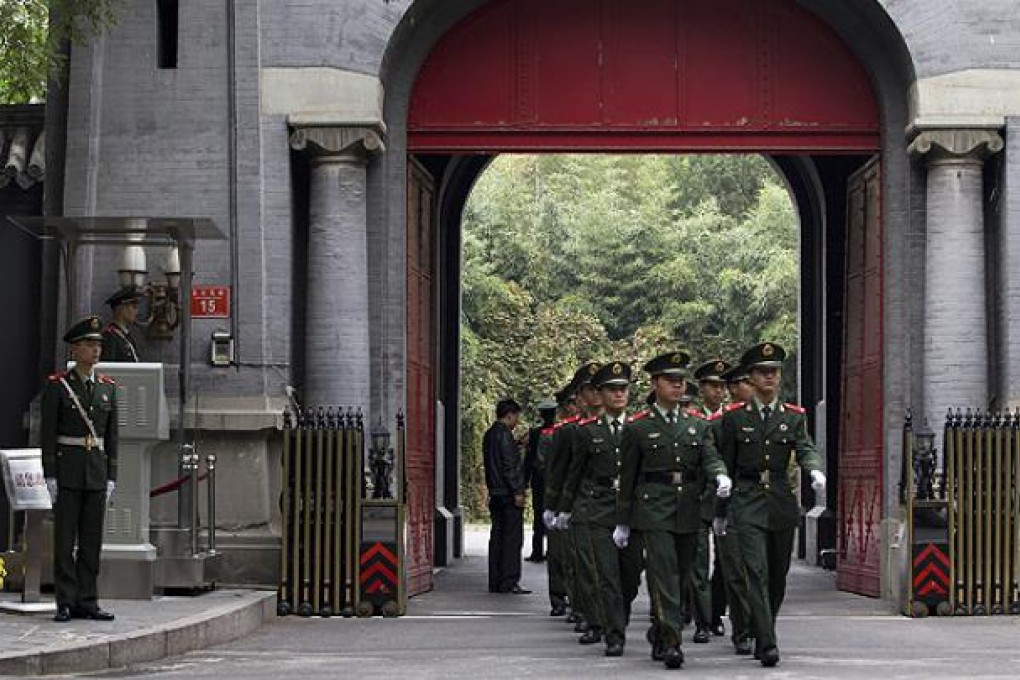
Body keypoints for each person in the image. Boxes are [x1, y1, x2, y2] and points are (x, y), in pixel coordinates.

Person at [615, 351, 731, 669]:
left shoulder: (696, 424)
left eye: (682, 382)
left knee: (682, 578)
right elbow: (628, 477)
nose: (678, 387)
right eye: (671, 381)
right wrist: (623, 521)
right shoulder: (639, 427)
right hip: (653, 508)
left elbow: (709, 456)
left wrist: (720, 474)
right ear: (655, 384)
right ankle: (673, 642)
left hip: (688, 508)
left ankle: (660, 629)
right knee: (663, 573)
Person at [716, 342, 825, 667]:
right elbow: (726, 462)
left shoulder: (792, 417)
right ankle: (767, 641)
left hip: (779, 499)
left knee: (778, 576)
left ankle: (765, 627)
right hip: (746, 498)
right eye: (762, 372)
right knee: (756, 571)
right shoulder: (734, 419)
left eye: (773, 372)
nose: (769, 377)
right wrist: (721, 508)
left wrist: (814, 469)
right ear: (751, 377)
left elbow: (803, 447)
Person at [560, 361, 643, 657]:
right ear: (601, 393)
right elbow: (574, 473)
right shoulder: (586, 432)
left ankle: (619, 616)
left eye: (623, 389)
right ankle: (614, 634)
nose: (619, 394)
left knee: (631, 576)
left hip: (632, 510)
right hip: (599, 507)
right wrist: (564, 509)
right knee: (606, 576)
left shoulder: (640, 428)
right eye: (612, 390)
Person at [42, 315, 118, 623]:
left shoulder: (107, 388)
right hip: (69, 470)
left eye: (98, 344)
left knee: (91, 541)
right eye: (89, 344)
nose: (95, 350)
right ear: (74, 350)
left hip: (96, 472)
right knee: (64, 541)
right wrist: (50, 474)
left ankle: (88, 599)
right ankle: (65, 600)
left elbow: (111, 436)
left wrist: (112, 475)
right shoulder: (58, 386)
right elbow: (47, 434)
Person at [685, 360, 732, 643]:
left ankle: (715, 615)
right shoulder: (692, 421)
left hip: (725, 500)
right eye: (713, 385)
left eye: (722, 386)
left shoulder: (734, 418)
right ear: (701, 388)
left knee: (727, 565)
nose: (719, 391)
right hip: (696, 499)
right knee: (698, 564)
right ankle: (702, 621)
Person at [483, 398, 530, 594]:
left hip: (495, 492)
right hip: (508, 494)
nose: (517, 421)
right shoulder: (505, 436)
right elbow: (509, 466)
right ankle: (509, 580)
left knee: (497, 537)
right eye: (516, 417)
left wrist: (517, 444)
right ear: (509, 415)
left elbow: (495, 460)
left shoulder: (490, 434)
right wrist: (518, 491)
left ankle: (496, 580)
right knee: (512, 539)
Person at [524, 398, 558, 563]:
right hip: (555, 481)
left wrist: (524, 482)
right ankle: (553, 551)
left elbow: (529, 460)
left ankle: (537, 552)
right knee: (554, 513)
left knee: (539, 515)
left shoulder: (536, 433)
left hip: (539, 480)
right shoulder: (560, 431)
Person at [101, 286, 144, 362]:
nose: (136, 312)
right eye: (134, 307)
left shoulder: (126, 336)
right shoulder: (110, 337)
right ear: (121, 309)